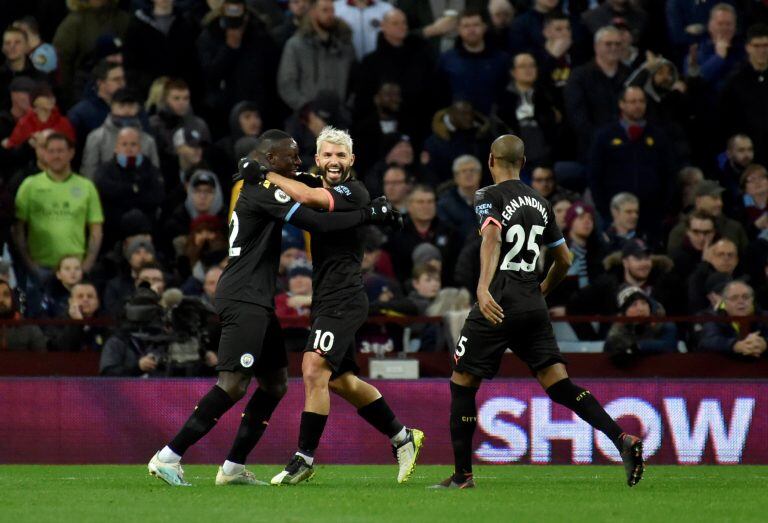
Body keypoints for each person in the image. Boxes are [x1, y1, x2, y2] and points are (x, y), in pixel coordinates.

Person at [147, 129, 398, 487]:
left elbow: (312, 195)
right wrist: (369, 213)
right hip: (243, 296)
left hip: (258, 300)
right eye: (292, 157)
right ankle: (168, 456)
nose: (298, 162)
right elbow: (316, 221)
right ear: (271, 158)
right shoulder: (265, 190)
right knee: (233, 384)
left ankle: (233, 468)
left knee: (275, 383)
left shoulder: (262, 183)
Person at [431, 135, 643, 489]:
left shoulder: (488, 196)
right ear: (524, 162)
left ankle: (462, 475)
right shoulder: (542, 202)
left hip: (497, 301)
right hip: (532, 303)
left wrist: (483, 288)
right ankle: (622, 439)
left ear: (490, 160)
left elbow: (492, 238)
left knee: (463, 383)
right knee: (559, 383)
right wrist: (543, 288)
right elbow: (565, 259)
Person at [262, 127, 422, 485]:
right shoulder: (320, 182)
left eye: (341, 155)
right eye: (328, 156)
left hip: (345, 297)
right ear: (318, 160)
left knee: (312, 368)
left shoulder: (355, 190)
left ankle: (303, 458)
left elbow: (310, 201)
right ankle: (403, 437)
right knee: (342, 381)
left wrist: (265, 174)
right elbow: (303, 185)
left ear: (352, 160)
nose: (334, 162)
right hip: (327, 297)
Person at [588, 86, 676, 241]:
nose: (638, 105)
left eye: (641, 101)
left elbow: (668, 174)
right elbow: (595, 175)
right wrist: (605, 210)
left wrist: (663, 209)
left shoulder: (658, 136)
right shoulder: (605, 136)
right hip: (615, 213)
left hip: (651, 214)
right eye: (633, 101)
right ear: (621, 104)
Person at [13, 133, 103, 278]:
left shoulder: (86, 187)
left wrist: (87, 265)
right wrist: (29, 263)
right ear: (44, 154)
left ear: (71, 153)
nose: (56, 156)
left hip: (75, 269)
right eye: (51, 151)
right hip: (39, 268)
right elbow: (18, 227)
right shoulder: (29, 185)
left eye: (60, 151)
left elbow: (96, 230)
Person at [277, 0, 356, 113]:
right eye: (325, 10)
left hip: (340, 116)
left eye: (332, 10)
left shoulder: (345, 46)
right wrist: (306, 111)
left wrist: (347, 108)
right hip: (307, 119)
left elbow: (356, 81)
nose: (330, 15)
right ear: (312, 12)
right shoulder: (296, 46)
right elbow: (287, 84)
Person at [564, 25, 630, 160]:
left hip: (628, 145)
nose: (614, 48)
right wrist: (603, 140)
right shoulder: (580, 76)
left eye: (618, 44)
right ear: (596, 46)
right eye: (608, 44)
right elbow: (578, 117)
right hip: (592, 149)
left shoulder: (630, 74)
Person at [435, 9, 509, 115]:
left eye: (476, 25)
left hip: (494, 122)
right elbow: (439, 95)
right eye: (466, 26)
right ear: (458, 30)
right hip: (458, 122)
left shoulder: (501, 59)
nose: (471, 30)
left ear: (484, 27)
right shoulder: (447, 60)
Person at [81, 89, 160, 180]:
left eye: (131, 106)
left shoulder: (148, 140)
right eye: (121, 106)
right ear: (112, 106)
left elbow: (155, 174)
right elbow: (89, 171)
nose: (126, 110)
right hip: (105, 191)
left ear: (137, 108)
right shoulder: (96, 137)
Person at [719, 24, 768, 164]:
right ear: (748, 47)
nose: (762, 51)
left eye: (766, 45)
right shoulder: (734, 81)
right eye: (757, 46)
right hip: (748, 157)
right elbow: (725, 119)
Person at [698, 280, 767, 358]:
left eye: (745, 297)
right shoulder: (713, 318)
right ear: (725, 303)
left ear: (752, 299)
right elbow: (709, 341)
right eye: (734, 298)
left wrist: (764, 344)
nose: (741, 301)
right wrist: (735, 345)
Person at [603, 286, 678, 356]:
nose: (641, 309)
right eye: (634, 305)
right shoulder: (617, 332)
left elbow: (668, 347)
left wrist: (639, 346)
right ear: (624, 313)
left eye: (644, 303)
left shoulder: (665, 325)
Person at [437, 154, 482, 240]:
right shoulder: (445, 204)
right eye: (464, 171)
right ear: (456, 177)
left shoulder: (492, 199)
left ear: (479, 175)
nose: (468, 174)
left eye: (472, 170)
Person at [0, 280, 47, 351]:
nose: (1, 300)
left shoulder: (30, 329)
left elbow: (43, 360)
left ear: (12, 299)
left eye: (6, 295)